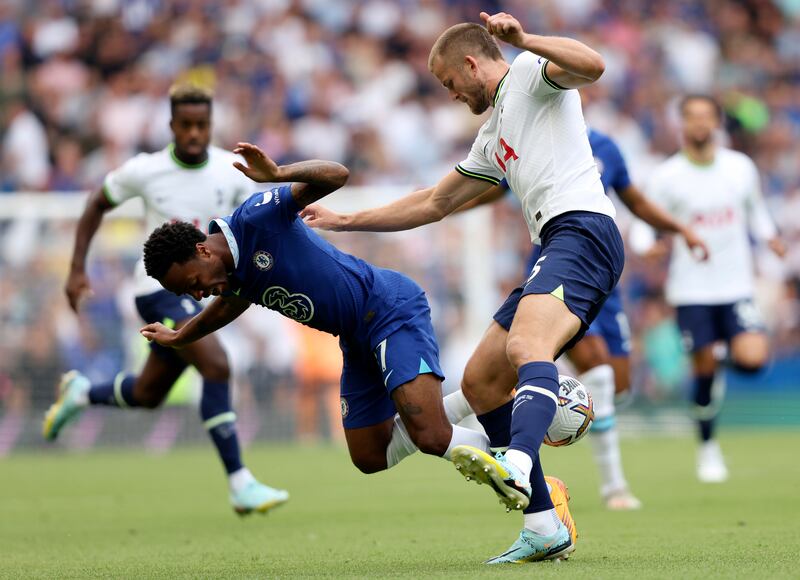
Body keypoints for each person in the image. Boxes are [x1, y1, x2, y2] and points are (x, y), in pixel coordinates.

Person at [300, 11, 617, 563]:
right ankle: (544, 524)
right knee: (481, 383)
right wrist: (347, 221)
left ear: (472, 63)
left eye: (449, 82)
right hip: (554, 242)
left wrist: (524, 40)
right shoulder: (493, 136)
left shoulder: (530, 75)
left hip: (583, 229)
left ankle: (517, 460)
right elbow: (434, 201)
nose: (449, 94)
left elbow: (593, 65)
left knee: (525, 349)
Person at [138, 142, 494, 484]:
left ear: (202, 251)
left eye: (193, 283)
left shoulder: (255, 219)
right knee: (369, 456)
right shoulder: (231, 276)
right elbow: (228, 305)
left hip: (387, 309)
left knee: (431, 436)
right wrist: (181, 336)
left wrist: (278, 173)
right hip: (355, 338)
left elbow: (336, 174)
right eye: (189, 293)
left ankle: (524, 478)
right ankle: (471, 400)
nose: (198, 294)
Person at [43, 84, 288, 515]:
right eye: (187, 125)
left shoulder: (228, 171)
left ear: (210, 125)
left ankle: (81, 393)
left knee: (147, 392)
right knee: (217, 364)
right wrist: (77, 267)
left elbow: (244, 227)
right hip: (154, 289)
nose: (195, 133)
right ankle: (239, 481)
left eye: (202, 125)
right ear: (172, 125)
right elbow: (96, 204)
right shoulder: (145, 170)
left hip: (200, 287)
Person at [460, 127, 709, 509]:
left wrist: (677, 229)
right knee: (587, 369)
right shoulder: (535, 138)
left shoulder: (606, 145)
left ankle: (474, 417)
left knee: (616, 383)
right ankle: (612, 486)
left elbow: (634, 199)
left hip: (599, 270)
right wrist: (445, 205)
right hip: (554, 267)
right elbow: (496, 188)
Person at [641, 94, 785, 483]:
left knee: (753, 358)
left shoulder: (739, 168)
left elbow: (756, 211)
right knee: (702, 371)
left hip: (735, 285)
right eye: (692, 117)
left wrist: (771, 238)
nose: (700, 124)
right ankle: (708, 448)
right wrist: (648, 244)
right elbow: (644, 221)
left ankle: (724, 356)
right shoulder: (666, 176)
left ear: (718, 122)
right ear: (682, 124)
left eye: (707, 117)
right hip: (691, 290)